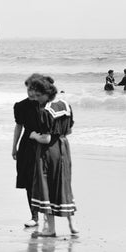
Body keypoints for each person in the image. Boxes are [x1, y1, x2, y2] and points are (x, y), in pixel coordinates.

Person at [28, 76, 78, 237]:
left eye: (37, 95)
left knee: (45, 186)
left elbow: (46, 138)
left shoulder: (45, 111)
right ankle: (72, 225)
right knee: (64, 183)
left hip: (48, 151)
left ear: (45, 93)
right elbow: (69, 131)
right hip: (64, 147)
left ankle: (51, 229)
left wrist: (34, 135)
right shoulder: (65, 104)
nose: (35, 98)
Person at [12, 74, 48, 229]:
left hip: (46, 143)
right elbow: (19, 126)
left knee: (46, 180)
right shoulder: (21, 106)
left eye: (34, 89)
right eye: (28, 89)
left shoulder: (48, 104)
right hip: (27, 144)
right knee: (29, 181)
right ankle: (34, 216)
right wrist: (14, 146)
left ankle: (48, 215)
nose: (31, 92)